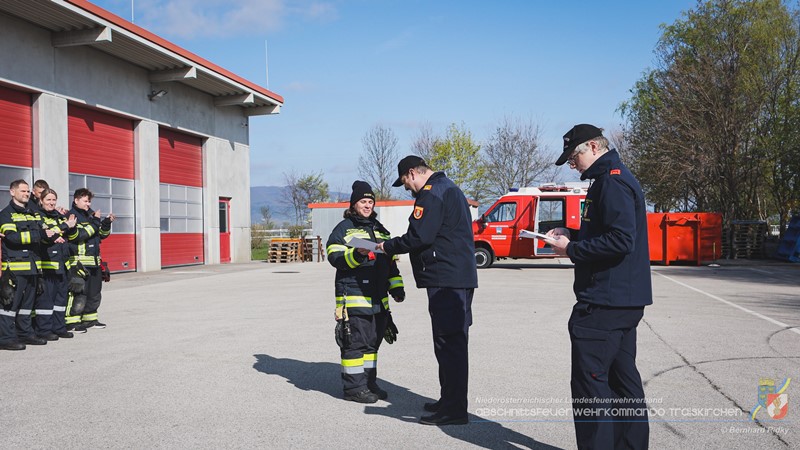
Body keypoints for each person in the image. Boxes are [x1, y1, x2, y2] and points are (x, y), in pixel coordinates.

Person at [546, 124, 652, 450]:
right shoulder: (610, 179)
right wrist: (573, 236)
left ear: (593, 147)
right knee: (622, 384)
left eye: (574, 155)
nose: (571, 163)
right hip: (621, 300)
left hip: (604, 303)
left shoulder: (612, 182)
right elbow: (608, 234)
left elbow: (621, 239)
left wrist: (572, 250)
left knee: (591, 389)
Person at [376, 156, 478, 426]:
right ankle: (449, 400)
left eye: (405, 183)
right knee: (450, 344)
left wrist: (386, 247)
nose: (407, 188)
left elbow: (419, 236)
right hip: (455, 277)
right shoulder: (448, 188)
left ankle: (454, 410)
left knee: (450, 344)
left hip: (447, 280)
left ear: (412, 173)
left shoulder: (432, 194)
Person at [326, 181, 405, 403]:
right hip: (354, 296)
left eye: (370, 202)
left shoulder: (381, 230)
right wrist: (358, 254)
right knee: (355, 344)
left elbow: (391, 265)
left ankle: (369, 383)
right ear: (353, 204)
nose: (368, 205)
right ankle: (353, 389)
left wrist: (397, 287)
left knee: (372, 343)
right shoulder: (343, 229)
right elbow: (336, 258)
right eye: (363, 201)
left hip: (378, 300)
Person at [0, 180, 57, 350]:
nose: (26, 194)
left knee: (27, 305)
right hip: (15, 268)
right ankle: (6, 338)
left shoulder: (32, 213)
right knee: (9, 305)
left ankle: (25, 334)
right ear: (12, 192)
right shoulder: (6, 214)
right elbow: (12, 238)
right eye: (22, 191)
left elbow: (45, 232)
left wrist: (51, 234)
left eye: (27, 191)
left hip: (33, 267)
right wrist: (38, 234)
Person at [66, 188, 114, 331]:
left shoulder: (91, 216)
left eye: (89, 201)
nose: (88, 204)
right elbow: (78, 236)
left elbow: (101, 235)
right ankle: (72, 322)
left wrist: (106, 223)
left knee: (94, 293)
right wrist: (95, 222)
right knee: (78, 293)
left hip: (94, 262)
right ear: (76, 200)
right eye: (85, 201)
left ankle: (90, 319)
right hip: (78, 263)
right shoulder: (71, 216)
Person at [35, 189, 77, 339]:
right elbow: (47, 234)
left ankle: (59, 327)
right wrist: (65, 226)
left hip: (61, 264)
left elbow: (68, 233)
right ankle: (44, 330)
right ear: (41, 200)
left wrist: (70, 225)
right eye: (48, 200)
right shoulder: (38, 216)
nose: (52, 203)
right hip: (47, 265)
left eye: (54, 200)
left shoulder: (58, 216)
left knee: (61, 299)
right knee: (46, 300)